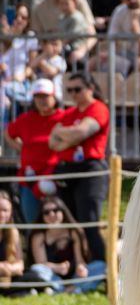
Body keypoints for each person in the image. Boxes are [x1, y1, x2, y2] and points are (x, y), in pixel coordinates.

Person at [48, 73, 110, 262]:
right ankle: (78, 268)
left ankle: (104, 272)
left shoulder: (98, 108)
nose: (73, 94)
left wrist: (62, 133)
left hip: (91, 169)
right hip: (68, 169)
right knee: (70, 223)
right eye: (69, 90)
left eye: (77, 89)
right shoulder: (70, 113)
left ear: (90, 89)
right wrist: (71, 136)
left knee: (89, 223)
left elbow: (81, 132)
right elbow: (53, 143)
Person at [5, 80, 65, 224]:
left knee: (57, 222)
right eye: (38, 97)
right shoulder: (26, 119)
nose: (42, 101)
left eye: (45, 96)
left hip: (55, 178)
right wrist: (20, 147)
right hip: (29, 180)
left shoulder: (64, 117)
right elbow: (8, 133)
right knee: (32, 222)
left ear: (54, 97)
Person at [29, 196, 106, 294]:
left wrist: (81, 268)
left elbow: (80, 261)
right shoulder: (38, 236)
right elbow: (41, 263)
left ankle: (63, 290)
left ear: (63, 212)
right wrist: (58, 268)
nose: (51, 214)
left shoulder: (74, 231)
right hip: (52, 276)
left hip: (75, 277)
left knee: (101, 266)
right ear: (42, 216)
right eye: (46, 212)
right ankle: (69, 290)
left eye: (55, 210)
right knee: (36, 270)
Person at [0, 191, 46, 297]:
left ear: (11, 212)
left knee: (33, 275)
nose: (2, 214)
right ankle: (25, 292)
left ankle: (21, 292)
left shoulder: (13, 232)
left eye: (5, 210)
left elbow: (20, 264)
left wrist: (9, 269)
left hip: (9, 276)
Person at [0, 3, 38, 114]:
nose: (19, 20)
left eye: (23, 17)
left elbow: (32, 66)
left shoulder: (30, 37)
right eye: (16, 16)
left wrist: (22, 75)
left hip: (19, 81)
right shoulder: (3, 36)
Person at [52, 0, 97, 69]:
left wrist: (55, 47)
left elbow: (69, 37)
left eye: (66, 4)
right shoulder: (62, 18)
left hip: (76, 51)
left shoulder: (76, 17)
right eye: (61, 4)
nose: (64, 7)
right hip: (65, 50)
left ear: (74, 2)